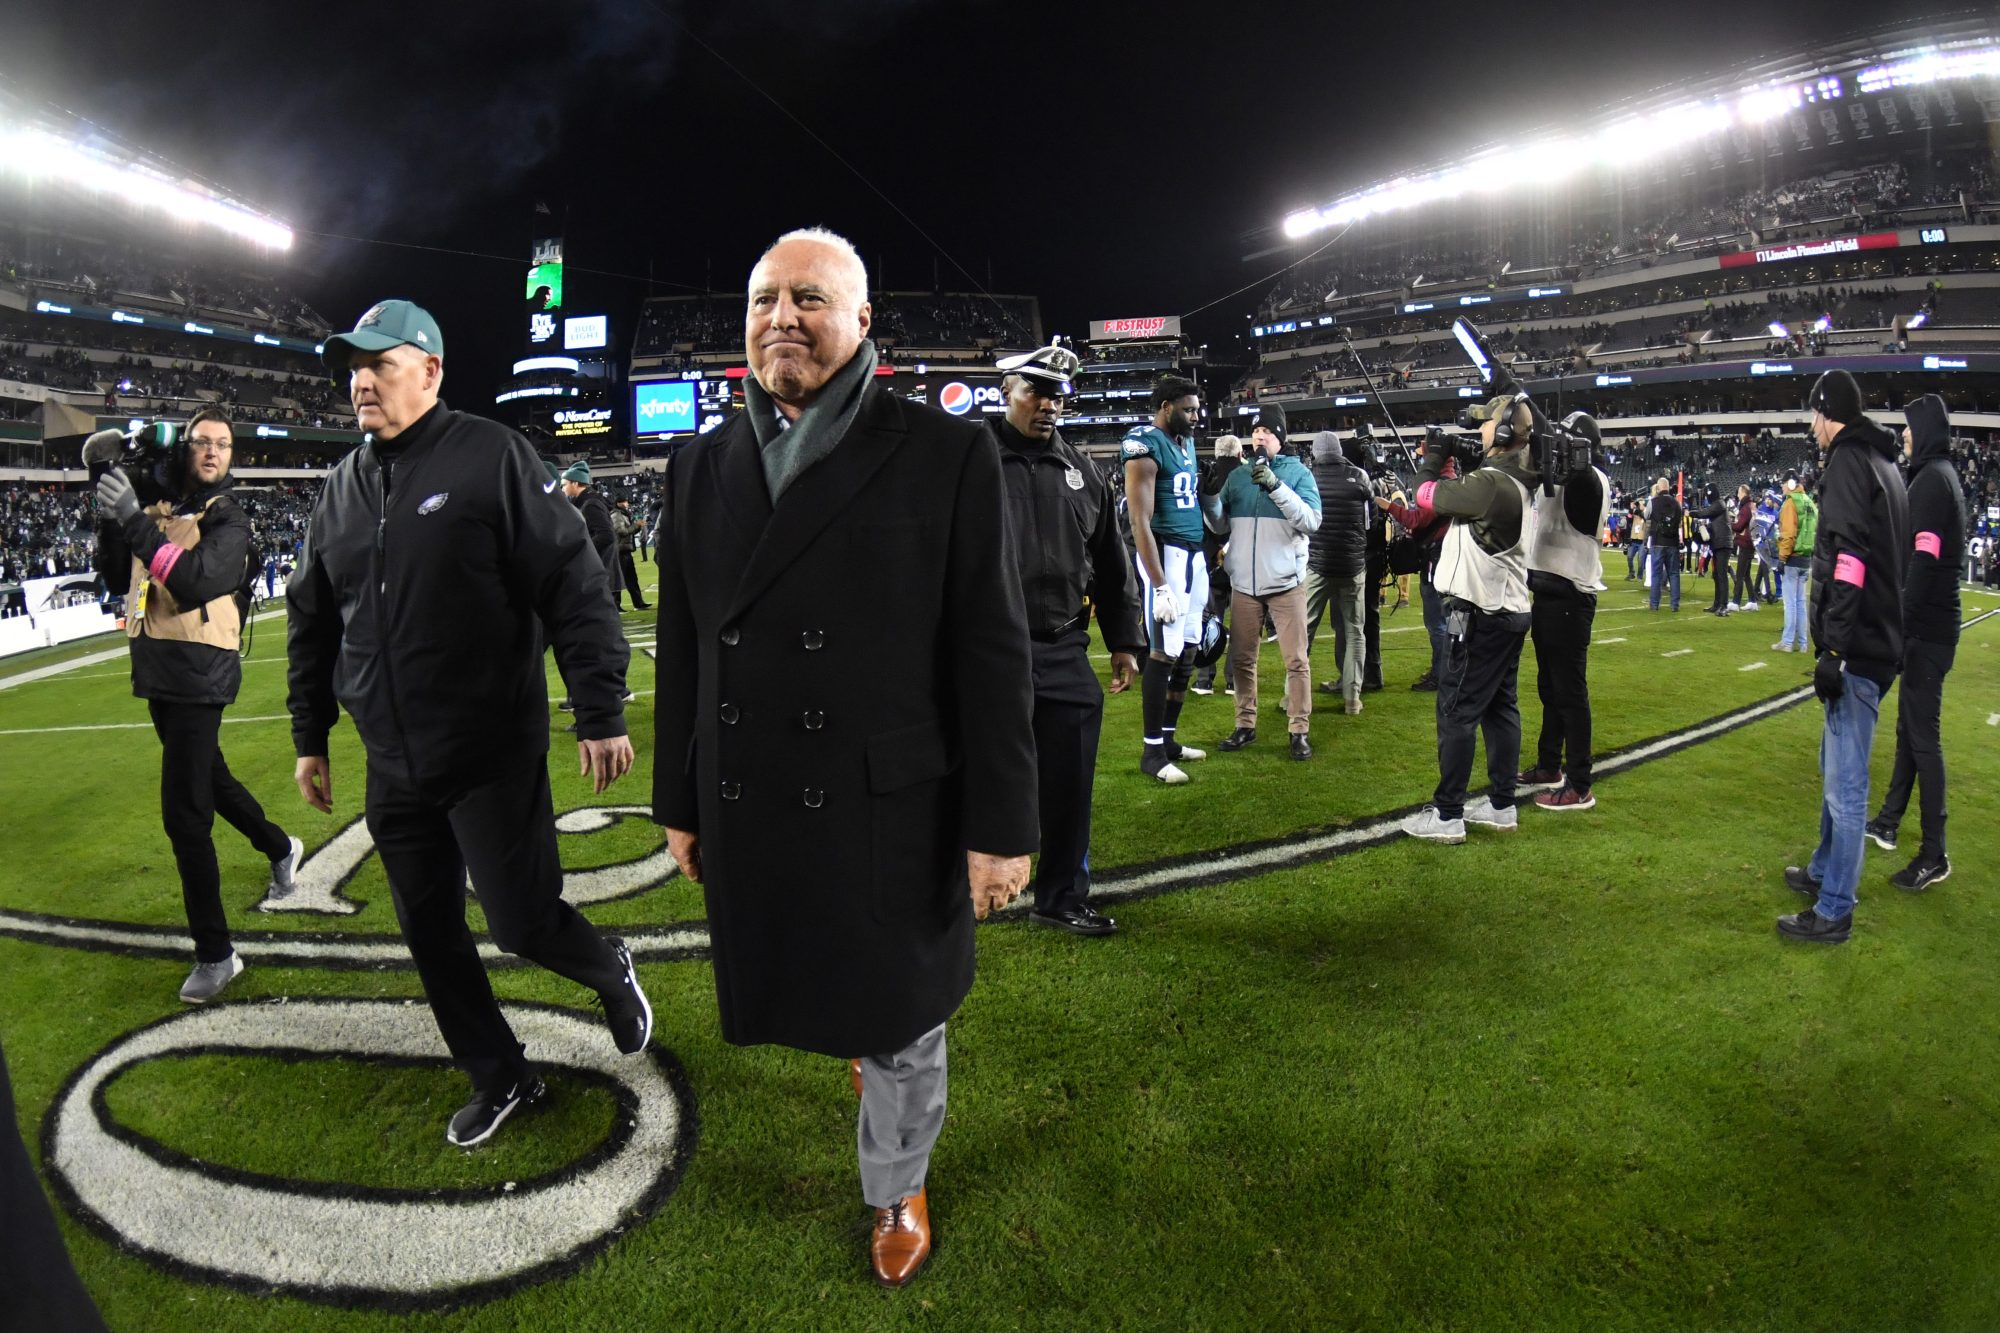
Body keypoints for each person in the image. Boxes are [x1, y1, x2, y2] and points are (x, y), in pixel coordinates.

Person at [649, 229, 1036, 1287]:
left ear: (863, 322)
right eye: (765, 298)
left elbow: (991, 653)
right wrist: (679, 797)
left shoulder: (947, 451)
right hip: (755, 794)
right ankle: (875, 1096)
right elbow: (686, 649)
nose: (782, 316)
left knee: (900, 1012)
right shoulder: (697, 461)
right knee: (811, 986)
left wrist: (1000, 828)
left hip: (888, 800)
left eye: (808, 298)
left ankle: (894, 1183)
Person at [287, 299, 652, 1147]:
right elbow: (311, 621)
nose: (361, 380)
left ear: (432, 370)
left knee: (522, 922)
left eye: (380, 361)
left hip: (488, 747)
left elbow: (571, 580)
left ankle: (607, 966)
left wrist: (598, 705)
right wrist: (311, 734)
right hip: (392, 761)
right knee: (431, 935)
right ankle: (501, 1074)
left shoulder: (491, 455)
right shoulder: (340, 488)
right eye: (353, 366)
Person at [93, 408, 303, 1003]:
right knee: (210, 778)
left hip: (200, 671)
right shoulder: (162, 510)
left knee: (185, 815)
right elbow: (115, 575)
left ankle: (217, 953)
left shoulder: (229, 517)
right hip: (160, 668)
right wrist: (114, 520)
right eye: (202, 442)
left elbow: (190, 582)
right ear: (185, 451)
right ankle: (281, 846)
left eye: (224, 444)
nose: (213, 451)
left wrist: (134, 519)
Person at [992, 341, 1142, 936]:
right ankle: (955, 888)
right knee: (971, 776)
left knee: (1070, 781)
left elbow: (1112, 562)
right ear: (1007, 392)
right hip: (988, 653)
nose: (1048, 404)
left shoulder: (1084, 474)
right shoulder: (970, 461)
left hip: (1062, 648)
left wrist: (1125, 639)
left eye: (1057, 394)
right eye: (1035, 391)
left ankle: (1060, 895)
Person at [1779, 371, 1908, 943]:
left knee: (1846, 786)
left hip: (1858, 646)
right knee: (1834, 773)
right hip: (1879, 640)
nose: (1811, 427)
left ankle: (1835, 909)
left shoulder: (1851, 464)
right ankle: (1823, 870)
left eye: (1814, 415)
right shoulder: (1884, 464)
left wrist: (1832, 645)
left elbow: (1849, 561)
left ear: (1828, 412)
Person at [1401, 397, 1538, 843]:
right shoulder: (1513, 480)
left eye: (1485, 427)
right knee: (1501, 709)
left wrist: (1432, 459)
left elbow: (1426, 498)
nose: (1478, 432)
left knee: (1456, 709)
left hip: (1478, 612)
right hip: (1508, 610)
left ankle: (1447, 815)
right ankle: (1500, 806)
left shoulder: (1492, 484)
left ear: (1501, 434)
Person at [1864, 394, 1962, 892]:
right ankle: (1887, 821)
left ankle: (1934, 853)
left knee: (1923, 737)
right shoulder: (1940, 476)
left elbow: (1922, 565)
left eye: (1907, 428)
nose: (1903, 436)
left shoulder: (1931, 481)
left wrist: (1896, 626)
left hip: (1927, 631)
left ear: (1922, 432)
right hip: (1930, 629)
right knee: (1909, 731)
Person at [1205, 404, 1321, 758]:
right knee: (1241, 659)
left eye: (1266, 432)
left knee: (1296, 661)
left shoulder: (1299, 472)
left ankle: (1299, 729)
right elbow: (1220, 526)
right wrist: (1209, 496)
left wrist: (1276, 487)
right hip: (1245, 584)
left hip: (1286, 582)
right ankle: (1245, 725)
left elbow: (1312, 521)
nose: (1259, 437)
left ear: (1280, 438)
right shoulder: (1238, 476)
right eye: (1255, 432)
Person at [1516, 413, 1610, 812]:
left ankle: (1580, 784)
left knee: (1570, 694)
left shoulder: (1591, 480)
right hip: (1548, 593)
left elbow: (1582, 475)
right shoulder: (1558, 477)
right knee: (1550, 688)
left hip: (1571, 596)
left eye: (1567, 443)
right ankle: (1550, 764)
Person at [1122, 375, 1211, 783]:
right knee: (1165, 650)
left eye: (1196, 409)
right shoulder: (1144, 442)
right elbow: (1139, 517)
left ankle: (1170, 740)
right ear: (1165, 407)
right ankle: (1152, 751)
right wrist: (1158, 584)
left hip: (1194, 553)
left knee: (1190, 645)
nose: (1195, 416)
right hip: (1166, 553)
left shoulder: (1185, 442)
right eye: (1188, 409)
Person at [1305, 430, 1371, 715]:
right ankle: (1352, 699)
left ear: (1317, 452)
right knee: (1355, 632)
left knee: (1303, 633)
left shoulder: (1307, 476)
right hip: (1352, 566)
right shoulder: (1359, 476)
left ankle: (1292, 698)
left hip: (1317, 566)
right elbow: (1370, 521)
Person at [1189, 435, 1242, 696]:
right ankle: (1233, 679)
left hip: (1208, 561)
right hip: (1240, 559)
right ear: (1239, 451)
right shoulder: (1245, 475)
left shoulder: (1202, 477)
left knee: (1208, 619)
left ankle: (1203, 679)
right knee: (1241, 622)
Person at [560, 461, 623, 613]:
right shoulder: (589, 501)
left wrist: (583, 550)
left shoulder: (590, 504)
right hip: (600, 568)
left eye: (564, 484)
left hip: (599, 568)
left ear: (575, 483)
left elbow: (606, 535)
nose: (562, 488)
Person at [1773, 471, 1815, 652]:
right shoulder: (1809, 502)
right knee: (1800, 603)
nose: (1782, 487)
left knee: (1790, 603)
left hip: (1793, 558)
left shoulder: (1791, 503)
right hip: (1806, 558)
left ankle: (1788, 642)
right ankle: (1804, 643)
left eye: (1783, 483)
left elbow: (1788, 534)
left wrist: (1782, 558)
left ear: (1790, 483)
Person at [1645, 477, 1682, 611]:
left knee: (1656, 574)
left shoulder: (1652, 501)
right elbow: (1679, 520)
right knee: (1674, 574)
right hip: (1672, 542)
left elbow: (1646, 515)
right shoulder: (1676, 503)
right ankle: (1674, 605)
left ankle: (1654, 604)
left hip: (1658, 541)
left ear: (1658, 488)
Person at [611, 497, 650, 610]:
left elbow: (629, 530)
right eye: (624, 502)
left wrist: (638, 526)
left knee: (632, 579)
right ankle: (616, 605)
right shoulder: (616, 515)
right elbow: (622, 531)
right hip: (620, 551)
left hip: (626, 550)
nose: (627, 503)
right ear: (618, 503)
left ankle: (639, 603)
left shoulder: (624, 514)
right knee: (619, 579)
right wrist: (636, 525)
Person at [1729, 484, 1757, 610]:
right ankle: (1752, 601)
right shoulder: (1752, 506)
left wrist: (1730, 524)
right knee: (1746, 574)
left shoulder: (1745, 508)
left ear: (1744, 493)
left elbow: (1740, 526)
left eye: (1739, 492)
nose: (1738, 495)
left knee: (1740, 574)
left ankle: (1736, 602)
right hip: (1751, 542)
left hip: (1745, 542)